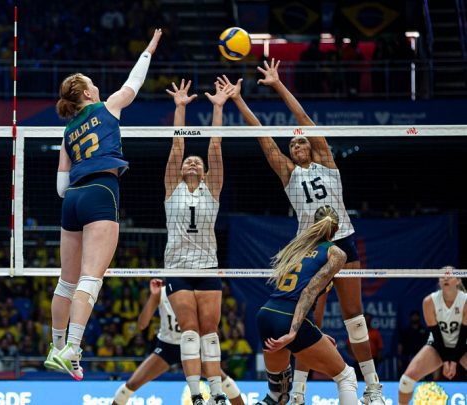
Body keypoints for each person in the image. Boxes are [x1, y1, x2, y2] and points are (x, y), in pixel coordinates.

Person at [220, 59, 384, 405]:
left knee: (354, 316)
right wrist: (238, 100)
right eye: (292, 145)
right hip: (311, 246)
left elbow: (305, 120)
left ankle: (373, 387)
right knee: (309, 319)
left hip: (343, 240)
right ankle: (297, 394)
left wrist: (278, 85)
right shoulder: (289, 175)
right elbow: (262, 137)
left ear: (310, 146)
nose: (296, 145)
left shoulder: (327, 162)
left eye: (300, 142)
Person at [44, 29, 163, 381]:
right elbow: (134, 83)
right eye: (92, 84)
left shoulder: (67, 133)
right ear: (85, 92)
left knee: (66, 282)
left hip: (73, 201)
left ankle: (56, 346)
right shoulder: (107, 106)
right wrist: (150, 48)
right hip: (101, 192)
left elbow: (60, 187)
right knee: (90, 279)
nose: (97, 87)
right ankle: (73, 349)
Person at [163, 78, 229, 405]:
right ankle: (195, 394)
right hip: (177, 267)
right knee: (189, 329)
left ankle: (216, 391)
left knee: (210, 331)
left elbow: (214, 147)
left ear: (204, 173)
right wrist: (180, 108)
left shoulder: (211, 191)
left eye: (197, 162)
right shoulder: (171, 190)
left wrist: (218, 108)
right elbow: (178, 146)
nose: (192, 162)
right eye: (190, 161)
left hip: (208, 267)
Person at [258, 206, 357, 405]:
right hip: (290, 319)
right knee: (346, 376)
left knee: (277, 396)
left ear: (314, 225)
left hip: (267, 314)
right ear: (336, 229)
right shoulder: (336, 253)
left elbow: (291, 292)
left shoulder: (298, 247)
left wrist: (314, 335)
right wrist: (294, 332)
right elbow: (308, 292)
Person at [112, 279, 244, 405]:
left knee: (225, 383)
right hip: (167, 347)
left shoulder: (199, 292)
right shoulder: (162, 292)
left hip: (194, 347)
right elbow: (141, 325)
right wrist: (153, 296)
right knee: (130, 385)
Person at [397, 269, 467, 405]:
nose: (445, 279)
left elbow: (464, 333)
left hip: (463, 344)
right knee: (406, 381)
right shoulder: (429, 301)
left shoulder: (465, 301)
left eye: (449, 276)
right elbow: (436, 333)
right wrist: (447, 360)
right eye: (442, 277)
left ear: (458, 281)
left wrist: (453, 361)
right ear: (439, 282)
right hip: (437, 345)